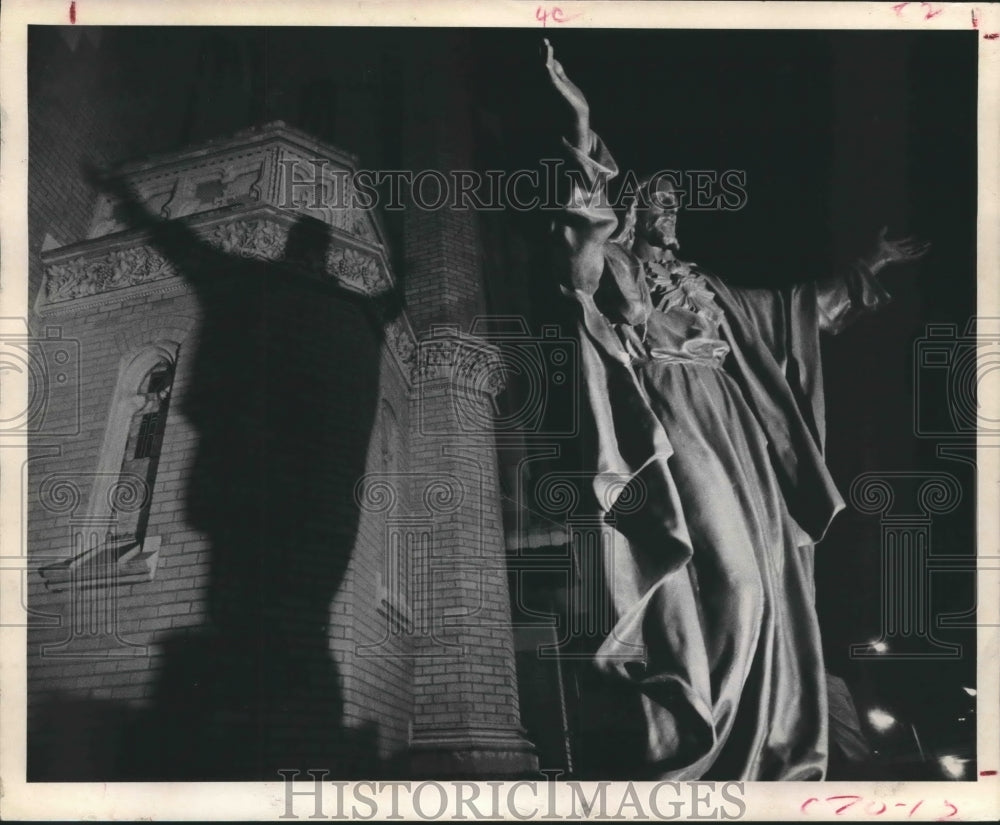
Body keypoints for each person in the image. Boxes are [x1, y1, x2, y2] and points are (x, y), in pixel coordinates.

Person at [540, 40, 928, 780]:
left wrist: (863, 271)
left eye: (675, 205)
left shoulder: (712, 289)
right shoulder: (618, 267)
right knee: (733, 579)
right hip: (675, 416)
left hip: (740, 428)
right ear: (631, 211)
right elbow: (576, 265)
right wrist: (584, 132)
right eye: (656, 202)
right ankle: (699, 737)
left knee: (777, 578)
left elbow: (796, 311)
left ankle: (760, 750)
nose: (670, 212)